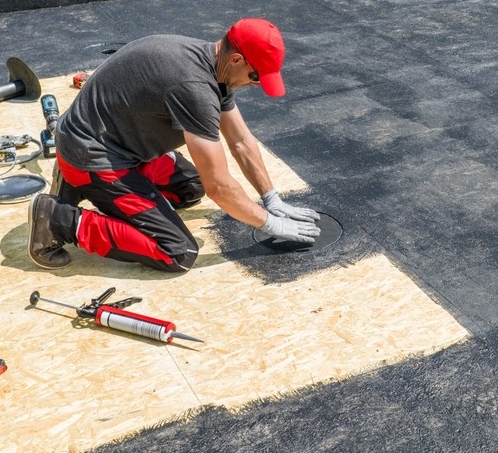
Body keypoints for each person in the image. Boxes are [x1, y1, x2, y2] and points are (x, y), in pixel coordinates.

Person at [27, 18, 320, 272]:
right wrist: (268, 222)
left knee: (190, 187)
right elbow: (219, 186)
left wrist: (271, 198)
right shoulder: (194, 88)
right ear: (236, 60)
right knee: (176, 252)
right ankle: (58, 218)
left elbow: (241, 142)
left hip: (112, 141)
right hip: (92, 155)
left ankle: (80, 187)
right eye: (255, 76)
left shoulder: (212, 66)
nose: (256, 85)